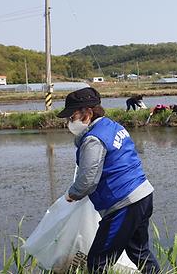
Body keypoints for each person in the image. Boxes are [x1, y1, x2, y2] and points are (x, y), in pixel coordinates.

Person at [58, 87, 159, 273]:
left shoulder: (93, 139)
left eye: (72, 117)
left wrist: (71, 195)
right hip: (142, 194)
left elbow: (88, 179)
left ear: (87, 113)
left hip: (124, 203)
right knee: (139, 252)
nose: (69, 122)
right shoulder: (113, 126)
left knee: (98, 261)